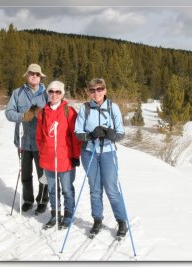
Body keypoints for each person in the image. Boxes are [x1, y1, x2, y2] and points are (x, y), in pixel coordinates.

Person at [74, 78, 128, 238]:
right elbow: (78, 132)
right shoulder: (85, 108)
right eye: (92, 90)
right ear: (89, 92)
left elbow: (121, 132)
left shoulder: (113, 107)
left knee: (111, 189)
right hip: (89, 153)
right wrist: (90, 135)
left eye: (99, 89)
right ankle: (97, 220)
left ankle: (121, 221)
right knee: (95, 189)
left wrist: (113, 135)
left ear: (105, 90)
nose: (96, 93)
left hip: (108, 152)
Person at [36, 80, 81, 229]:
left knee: (67, 189)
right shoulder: (43, 112)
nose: (54, 94)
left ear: (62, 94)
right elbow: (40, 137)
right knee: (52, 189)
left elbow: (75, 136)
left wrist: (75, 156)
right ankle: (55, 214)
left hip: (65, 158)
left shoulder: (69, 111)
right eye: (51, 91)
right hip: (48, 159)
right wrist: (43, 153)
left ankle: (68, 214)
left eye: (57, 92)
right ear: (48, 93)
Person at [5, 63, 49, 215]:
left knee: (43, 175)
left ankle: (43, 201)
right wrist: (23, 116)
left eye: (37, 74)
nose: (34, 76)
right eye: (32, 73)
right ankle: (28, 200)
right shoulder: (17, 93)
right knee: (25, 174)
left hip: (41, 142)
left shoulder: (47, 94)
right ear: (27, 75)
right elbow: (9, 113)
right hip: (23, 141)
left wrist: (40, 114)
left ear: (40, 77)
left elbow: (53, 114)